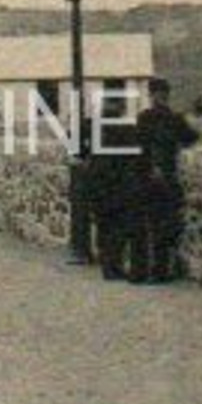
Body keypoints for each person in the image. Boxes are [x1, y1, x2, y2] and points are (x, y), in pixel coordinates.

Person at [134, 77, 199, 283]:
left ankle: (155, 270)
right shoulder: (174, 118)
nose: (158, 97)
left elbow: (139, 147)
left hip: (150, 178)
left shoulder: (145, 118)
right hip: (167, 177)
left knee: (153, 224)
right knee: (164, 224)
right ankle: (161, 269)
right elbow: (191, 138)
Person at [84, 93, 146, 281]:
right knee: (119, 227)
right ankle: (114, 266)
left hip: (98, 183)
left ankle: (108, 266)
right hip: (117, 184)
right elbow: (135, 155)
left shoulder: (93, 127)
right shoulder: (125, 129)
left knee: (105, 225)